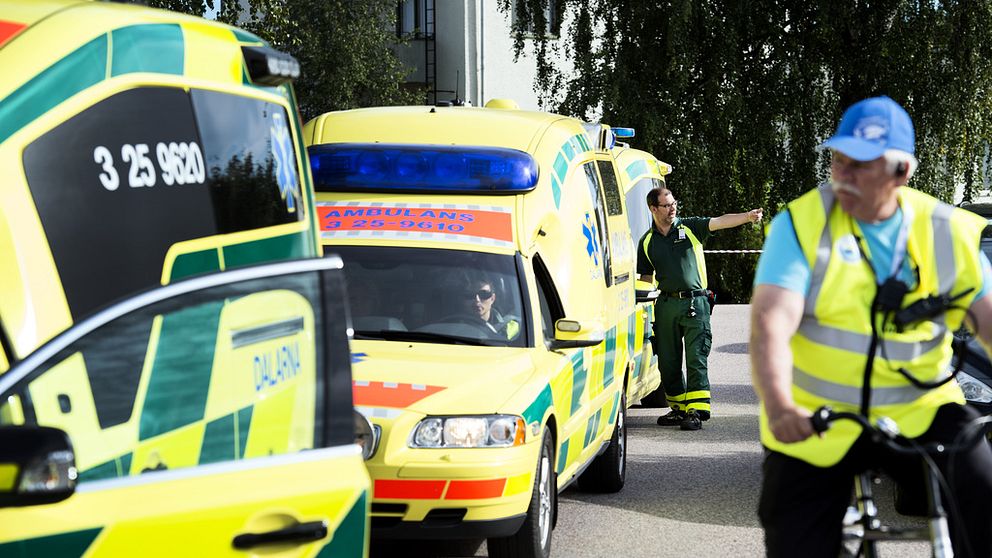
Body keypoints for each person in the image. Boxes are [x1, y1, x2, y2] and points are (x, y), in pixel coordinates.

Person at [750, 95, 992, 557]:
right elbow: (770, 323)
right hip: (817, 419)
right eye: (838, 160)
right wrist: (780, 406)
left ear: (901, 172)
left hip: (922, 411)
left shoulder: (946, 230)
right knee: (792, 531)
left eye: (860, 164)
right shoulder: (802, 224)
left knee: (984, 489)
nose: (843, 175)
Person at [637, 187, 762, 430]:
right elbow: (645, 278)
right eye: (666, 205)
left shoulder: (690, 228)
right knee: (668, 362)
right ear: (653, 209)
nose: (672, 208)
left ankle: (695, 411)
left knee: (696, 357)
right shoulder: (647, 242)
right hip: (665, 305)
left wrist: (746, 216)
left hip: (696, 303)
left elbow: (719, 222)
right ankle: (679, 408)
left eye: (674, 203)